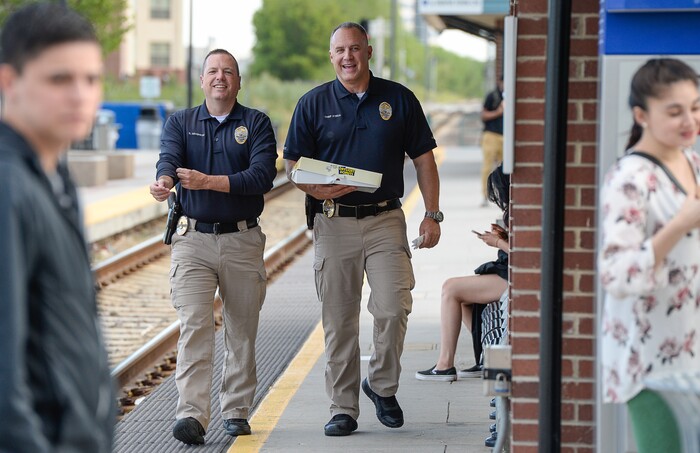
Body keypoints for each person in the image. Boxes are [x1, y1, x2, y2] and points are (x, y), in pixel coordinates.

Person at [284, 22, 442, 437]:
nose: (348, 57)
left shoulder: (399, 99)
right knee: (339, 321)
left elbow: (424, 159)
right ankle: (343, 407)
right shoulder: (312, 103)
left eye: (355, 48)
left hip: (387, 219)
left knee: (393, 306)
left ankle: (382, 385)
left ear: (369, 51)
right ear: (331, 55)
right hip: (333, 220)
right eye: (340, 50)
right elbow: (292, 166)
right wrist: (315, 186)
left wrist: (432, 213)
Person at [0, 3, 115, 452]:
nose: (80, 95)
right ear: (9, 82)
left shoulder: (53, 178)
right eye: (59, 79)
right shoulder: (9, 188)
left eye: (91, 79)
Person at [150, 48, 277, 445]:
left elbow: (260, 177)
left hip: (242, 239)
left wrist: (208, 181)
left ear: (238, 81)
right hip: (193, 241)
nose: (220, 77)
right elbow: (168, 158)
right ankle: (191, 414)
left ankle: (236, 410)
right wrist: (164, 181)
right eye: (212, 72)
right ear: (202, 80)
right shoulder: (180, 121)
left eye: (228, 71)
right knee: (194, 327)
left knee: (242, 328)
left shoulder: (256, 123)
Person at [599, 58, 700, 453]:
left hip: (689, 352)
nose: (689, 119)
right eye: (674, 111)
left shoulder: (691, 161)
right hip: (651, 366)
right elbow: (616, 273)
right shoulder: (630, 178)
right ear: (641, 115)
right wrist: (679, 224)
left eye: (695, 107)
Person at [416, 165, 510, 381]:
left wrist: (497, 242)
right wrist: (503, 237)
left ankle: (444, 365)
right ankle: (484, 357)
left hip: (515, 277)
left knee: (451, 288)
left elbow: (526, 253)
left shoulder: (521, 210)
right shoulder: (520, 209)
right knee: (463, 299)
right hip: (509, 273)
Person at [480, 76, 504, 207]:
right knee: (487, 167)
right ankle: (485, 195)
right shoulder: (492, 96)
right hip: (491, 135)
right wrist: (498, 112)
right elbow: (483, 115)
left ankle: (504, 196)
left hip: (506, 136)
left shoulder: (512, 96)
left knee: (506, 168)